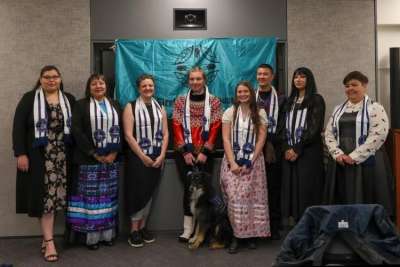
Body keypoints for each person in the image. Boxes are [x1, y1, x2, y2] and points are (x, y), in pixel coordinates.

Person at [13, 65, 75, 262]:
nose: (51, 80)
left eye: (55, 76)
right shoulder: (29, 99)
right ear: (40, 80)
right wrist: (21, 153)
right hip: (40, 157)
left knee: (55, 199)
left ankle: (46, 236)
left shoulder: (69, 100)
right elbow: (18, 128)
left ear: (60, 78)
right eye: (47, 77)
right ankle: (49, 242)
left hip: (63, 157)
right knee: (45, 199)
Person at [324, 71, 394, 214]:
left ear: (364, 86)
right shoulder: (338, 109)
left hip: (368, 159)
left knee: (367, 195)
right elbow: (328, 133)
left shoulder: (375, 107)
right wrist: (337, 154)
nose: (350, 88)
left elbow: (379, 134)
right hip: (341, 161)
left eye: (354, 84)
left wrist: (354, 156)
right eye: (347, 86)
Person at [66, 74, 121, 250]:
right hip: (87, 159)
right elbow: (77, 131)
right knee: (90, 200)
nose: (98, 86)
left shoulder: (115, 105)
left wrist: (114, 152)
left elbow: (121, 129)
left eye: (101, 83)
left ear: (106, 85)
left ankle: (107, 235)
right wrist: (94, 153)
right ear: (89, 87)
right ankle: (90, 238)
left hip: (111, 161)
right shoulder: (81, 105)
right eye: (94, 83)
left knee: (107, 199)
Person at [172, 66, 222, 242]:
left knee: (204, 192)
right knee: (188, 189)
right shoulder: (179, 101)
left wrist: (206, 151)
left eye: (198, 79)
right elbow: (177, 126)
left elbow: (216, 127)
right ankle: (187, 230)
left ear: (204, 80)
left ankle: (202, 229)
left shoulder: (214, 102)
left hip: (205, 155)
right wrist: (185, 151)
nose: (195, 82)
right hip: (184, 154)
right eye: (192, 79)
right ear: (188, 81)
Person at [220, 81, 270, 254]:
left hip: (253, 163)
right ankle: (236, 235)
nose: (242, 94)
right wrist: (233, 162)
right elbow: (225, 139)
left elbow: (261, 139)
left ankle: (251, 236)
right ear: (236, 94)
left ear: (251, 93)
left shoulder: (260, 113)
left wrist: (251, 160)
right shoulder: (229, 112)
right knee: (234, 199)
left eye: (245, 91)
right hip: (232, 162)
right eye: (239, 92)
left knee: (251, 199)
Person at [123, 74, 169, 248]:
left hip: (157, 157)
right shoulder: (131, 107)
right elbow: (128, 135)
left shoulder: (161, 107)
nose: (148, 88)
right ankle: (134, 230)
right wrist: (143, 156)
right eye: (144, 86)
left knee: (150, 193)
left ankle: (143, 228)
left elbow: (166, 134)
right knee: (138, 193)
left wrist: (162, 155)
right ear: (138, 88)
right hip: (138, 158)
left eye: (150, 85)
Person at [281, 67, 325, 223]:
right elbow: (282, 127)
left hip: (308, 151)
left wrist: (297, 149)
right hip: (290, 152)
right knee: (292, 188)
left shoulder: (316, 99)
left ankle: (310, 223)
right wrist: (287, 148)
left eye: (302, 77)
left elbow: (314, 128)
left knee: (307, 188)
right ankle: (296, 224)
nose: (298, 80)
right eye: (296, 77)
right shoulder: (289, 101)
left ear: (309, 79)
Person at [255, 63, 286, 239]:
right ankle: (258, 225)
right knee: (257, 188)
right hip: (253, 148)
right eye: (259, 74)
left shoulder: (281, 98)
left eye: (265, 74)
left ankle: (274, 226)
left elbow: (283, 124)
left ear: (272, 76)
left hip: (274, 149)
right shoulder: (251, 96)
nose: (262, 77)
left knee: (273, 188)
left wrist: (270, 143)